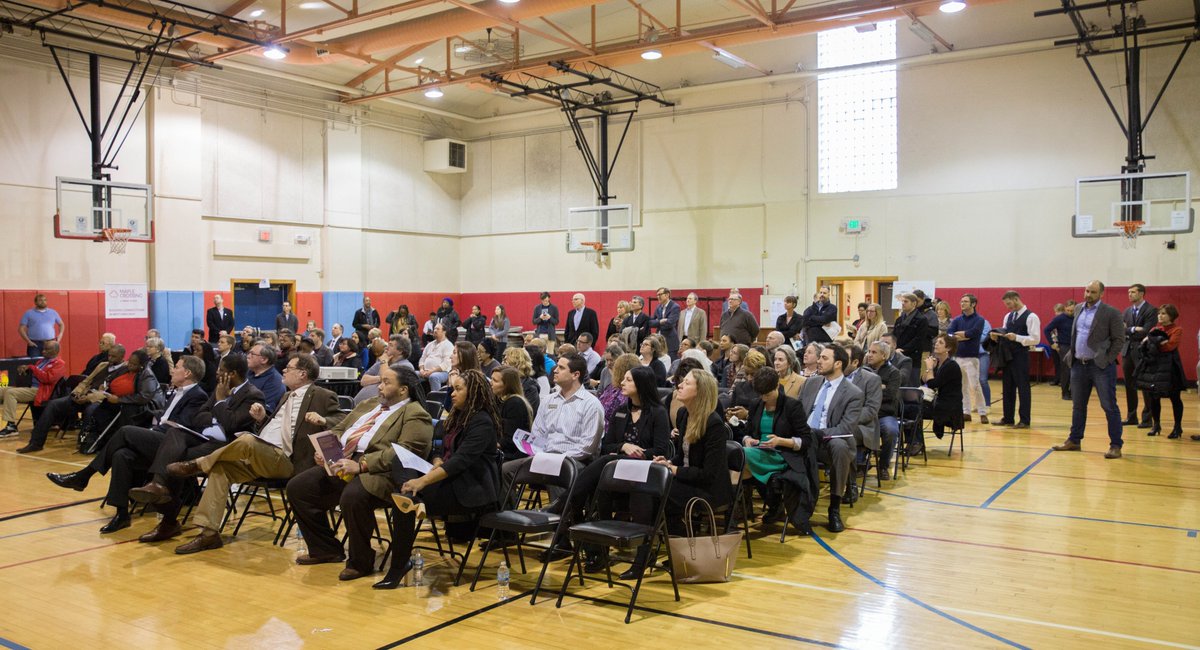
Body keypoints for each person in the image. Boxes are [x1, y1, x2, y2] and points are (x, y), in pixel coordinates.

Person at [168, 354, 344, 554]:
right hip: (264, 456)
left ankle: (197, 464)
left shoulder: (322, 395)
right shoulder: (286, 396)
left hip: (288, 461)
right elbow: (278, 428)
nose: (284, 370)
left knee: (247, 440)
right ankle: (208, 534)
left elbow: (341, 419)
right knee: (221, 468)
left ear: (302, 374)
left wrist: (323, 420)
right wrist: (262, 419)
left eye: (289, 368)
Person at [287, 364, 433, 583]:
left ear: (403, 390)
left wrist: (362, 465)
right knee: (298, 488)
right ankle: (325, 549)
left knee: (353, 496)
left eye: (386, 382)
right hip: (343, 462)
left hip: (382, 473)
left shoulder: (415, 413)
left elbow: (405, 451)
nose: (380, 387)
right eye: (380, 381)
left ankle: (360, 561)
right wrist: (325, 450)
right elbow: (340, 429)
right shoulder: (369, 404)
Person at [45, 356, 210, 535]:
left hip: (171, 445)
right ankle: (121, 514)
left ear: (187, 373)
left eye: (176, 367)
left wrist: (156, 426)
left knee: (125, 431)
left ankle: (84, 476)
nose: (172, 370)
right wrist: (155, 418)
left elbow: (182, 425)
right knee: (121, 455)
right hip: (158, 437)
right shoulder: (177, 391)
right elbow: (166, 416)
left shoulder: (197, 396)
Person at [378, 369, 498, 589]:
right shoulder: (456, 415)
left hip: (469, 488)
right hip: (446, 477)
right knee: (399, 460)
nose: (452, 393)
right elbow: (438, 447)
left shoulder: (482, 421)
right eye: (452, 388)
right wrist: (435, 461)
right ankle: (414, 500)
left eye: (458, 389)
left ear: (474, 393)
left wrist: (422, 481)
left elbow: (461, 461)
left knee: (402, 505)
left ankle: (398, 566)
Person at [126, 354, 265, 532]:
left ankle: (167, 521)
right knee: (176, 433)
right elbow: (197, 416)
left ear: (232, 374)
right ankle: (158, 486)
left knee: (175, 461)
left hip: (226, 447)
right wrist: (218, 415)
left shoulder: (253, 395)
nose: (216, 373)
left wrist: (220, 401)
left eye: (221, 370)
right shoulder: (220, 387)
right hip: (203, 436)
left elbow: (232, 424)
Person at [562, 365, 672, 574]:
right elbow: (607, 446)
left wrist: (625, 455)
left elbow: (660, 450)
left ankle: (566, 502)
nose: (622, 383)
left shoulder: (658, 413)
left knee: (610, 470)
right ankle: (598, 552)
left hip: (645, 473)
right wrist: (623, 447)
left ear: (641, 384)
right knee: (599, 487)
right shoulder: (622, 411)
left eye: (628, 380)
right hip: (618, 474)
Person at [501, 355, 605, 489]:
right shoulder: (548, 400)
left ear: (575, 375)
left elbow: (587, 447)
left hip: (574, 461)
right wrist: (541, 453)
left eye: (561, 368)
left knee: (556, 471)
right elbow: (537, 433)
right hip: (545, 456)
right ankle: (511, 509)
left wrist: (558, 458)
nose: (555, 370)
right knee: (505, 469)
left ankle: (558, 510)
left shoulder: (591, 405)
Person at [654, 369, 733, 536]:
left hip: (709, 490)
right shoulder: (684, 414)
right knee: (651, 487)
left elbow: (708, 474)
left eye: (686, 383)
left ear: (700, 392)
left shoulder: (713, 424)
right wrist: (669, 463)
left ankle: (677, 543)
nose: (679, 385)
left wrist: (674, 470)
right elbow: (683, 457)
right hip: (688, 481)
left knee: (659, 493)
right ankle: (668, 543)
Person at [1053, 281, 1126, 459]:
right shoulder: (1078, 308)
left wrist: (1107, 359)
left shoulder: (1111, 312)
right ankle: (1074, 440)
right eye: (1086, 291)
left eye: (1093, 292)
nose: (1088, 295)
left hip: (1100, 366)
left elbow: (1119, 340)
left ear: (1101, 294)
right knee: (1078, 406)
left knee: (1109, 406)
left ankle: (1116, 445)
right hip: (1078, 364)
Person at [742, 367, 818, 532]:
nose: (764, 398)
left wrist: (780, 441)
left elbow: (806, 440)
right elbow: (746, 432)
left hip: (783, 455)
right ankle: (772, 503)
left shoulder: (792, 406)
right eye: (761, 395)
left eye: (767, 395)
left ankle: (769, 504)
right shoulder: (756, 404)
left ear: (777, 386)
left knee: (740, 458)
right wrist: (748, 439)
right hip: (758, 452)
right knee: (739, 456)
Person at [798, 344, 864, 533]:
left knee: (840, 447)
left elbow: (845, 428)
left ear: (838, 364)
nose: (819, 361)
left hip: (828, 441)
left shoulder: (853, 393)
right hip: (806, 436)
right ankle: (781, 502)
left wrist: (817, 434)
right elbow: (798, 411)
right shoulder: (810, 383)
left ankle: (834, 508)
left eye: (824, 358)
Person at [18, 344, 128, 454]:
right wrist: (76, 393)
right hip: (83, 395)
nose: (110, 359)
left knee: (91, 410)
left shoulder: (125, 370)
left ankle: (84, 442)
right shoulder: (102, 365)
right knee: (53, 404)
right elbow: (86, 381)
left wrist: (88, 398)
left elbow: (111, 392)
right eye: (109, 356)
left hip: (101, 401)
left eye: (113, 357)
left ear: (121, 357)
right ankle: (35, 443)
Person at [991, 290, 1040, 428]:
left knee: (1023, 388)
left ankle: (1024, 420)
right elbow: (1005, 332)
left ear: (1016, 299)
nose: (1008, 307)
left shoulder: (1031, 317)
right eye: (1006, 304)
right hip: (1007, 356)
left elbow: (1035, 339)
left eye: (1009, 303)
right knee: (1007, 387)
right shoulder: (1008, 316)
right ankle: (1008, 418)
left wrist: (1017, 338)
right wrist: (997, 336)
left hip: (1021, 355)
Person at [1136, 305, 1185, 438]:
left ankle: (1177, 427)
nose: (1160, 316)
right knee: (1153, 398)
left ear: (1171, 316)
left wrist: (1152, 341)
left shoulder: (1177, 329)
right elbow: (1145, 346)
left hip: (1170, 369)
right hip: (1154, 367)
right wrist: (1157, 341)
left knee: (1175, 398)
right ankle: (1156, 425)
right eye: (1159, 313)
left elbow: (1169, 346)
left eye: (1163, 314)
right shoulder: (1154, 329)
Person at [0, 340, 67, 437]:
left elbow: (47, 379)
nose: (43, 351)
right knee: (2, 390)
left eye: (47, 349)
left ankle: (11, 427)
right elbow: (34, 373)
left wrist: (33, 368)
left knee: (11, 393)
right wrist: (24, 370)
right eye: (43, 349)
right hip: (30, 387)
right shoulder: (41, 361)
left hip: (41, 391)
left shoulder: (59, 363)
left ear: (55, 351)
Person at [843, 344, 882, 498]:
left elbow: (871, 410)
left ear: (855, 362)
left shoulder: (871, 379)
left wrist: (847, 419)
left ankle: (851, 484)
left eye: (844, 359)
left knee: (845, 435)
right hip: (836, 423)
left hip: (863, 427)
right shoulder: (833, 377)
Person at [947, 294, 989, 424]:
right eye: (961, 301)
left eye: (965, 301)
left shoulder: (979, 319)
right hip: (958, 357)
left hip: (971, 358)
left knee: (975, 385)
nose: (962, 303)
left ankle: (982, 412)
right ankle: (966, 412)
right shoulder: (957, 319)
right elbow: (950, 333)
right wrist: (965, 336)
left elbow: (974, 333)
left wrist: (962, 335)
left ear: (973, 304)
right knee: (962, 386)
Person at [865, 341, 902, 480]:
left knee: (891, 431)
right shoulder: (863, 370)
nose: (869, 355)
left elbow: (890, 395)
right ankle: (861, 464)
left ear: (884, 355)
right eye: (869, 351)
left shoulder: (894, 373)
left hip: (885, 414)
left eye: (874, 352)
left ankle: (883, 466)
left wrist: (871, 391)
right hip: (866, 412)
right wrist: (879, 387)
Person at [1122, 284, 1156, 428]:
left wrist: (1129, 330)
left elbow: (1147, 331)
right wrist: (1134, 329)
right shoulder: (1127, 311)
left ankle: (1147, 419)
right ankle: (1131, 416)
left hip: (1143, 351)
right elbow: (1121, 330)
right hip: (1127, 351)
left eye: (1133, 292)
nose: (1130, 294)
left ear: (1142, 293)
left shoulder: (1151, 310)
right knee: (1129, 385)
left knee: (1145, 384)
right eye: (1129, 292)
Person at [922, 334, 964, 444]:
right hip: (939, 403)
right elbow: (923, 381)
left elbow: (932, 384)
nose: (936, 344)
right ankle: (916, 441)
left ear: (948, 348)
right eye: (936, 342)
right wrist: (930, 369)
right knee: (912, 408)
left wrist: (930, 368)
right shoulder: (939, 363)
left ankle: (917, 442)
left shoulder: (951, 365)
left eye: (940, 343)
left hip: (949, 407)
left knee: (914, 411)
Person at [355, 335, 414, 405]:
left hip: (380, 408)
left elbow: (386, 379)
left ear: (400, 351)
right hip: (358, 405)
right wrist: (379, 378)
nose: (386, 347)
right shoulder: (382, 361)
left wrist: (384, 362)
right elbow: (363, 381)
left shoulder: (405, 366)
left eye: (391, 345)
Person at [493, 365, 534, 461]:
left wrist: (486, 445)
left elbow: (509, 440)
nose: (491, 383)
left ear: (507, 384)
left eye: (495, 381)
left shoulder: (515, 403)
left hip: (513, 456)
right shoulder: (500, 399)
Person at [892, 293, 930, 386]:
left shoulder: (922, 319)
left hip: (912, 356)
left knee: (911, 384)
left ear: (914, 304)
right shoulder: (899, 319)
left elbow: (919, 339)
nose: (903, 303)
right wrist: (893, 348)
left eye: (906, 301)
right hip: (897, 355)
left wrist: (904, 349)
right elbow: (894, 335)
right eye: (902, 301)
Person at [1044, 301, 1075, 400]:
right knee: (1065, 370)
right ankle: (1065, 393)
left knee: (1075, 370)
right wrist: (1052, 343)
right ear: (1065, 308)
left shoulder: (1077, 317)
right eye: (1068, 310)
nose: (1070, 312)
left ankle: (1073, 392)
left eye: (1072, 310)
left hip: (1076, 346)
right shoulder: (1060, 318)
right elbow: (1047, 330)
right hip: (1064, 346)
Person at [246, 343, 286, 412]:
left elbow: (263, 411)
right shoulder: (248, 372)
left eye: (252, 354)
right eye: (249, 353)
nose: (248, 356)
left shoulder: (275, 382)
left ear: (264, 360)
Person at [503, 346, 541, 413]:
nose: (502, 364)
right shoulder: (503, 382)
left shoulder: (530, 388)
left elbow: (528, 413)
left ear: (516, 365)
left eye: (506, 361)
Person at [419, 323, 454, 392]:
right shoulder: (430, 344)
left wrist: (431, 371)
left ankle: (436, 399)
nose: (435, 330)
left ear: (444, 332)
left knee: (434, 377)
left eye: (437, 329)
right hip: (426, 371)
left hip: (443, 372)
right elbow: (422, 359)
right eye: (434, 328)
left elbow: (446, 364)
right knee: (412, 374)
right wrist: (421, 370)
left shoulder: (448, 345)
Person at [651, 287, 681, 359]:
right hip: (659, 341)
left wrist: (657, 323)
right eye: (657, 295)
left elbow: (670, 323)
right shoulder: (658, 307)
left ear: (667, 295)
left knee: (671, 364)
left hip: (670, 341)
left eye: (660, 294)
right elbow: (651, 322)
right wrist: (660, 321)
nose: (658, 297)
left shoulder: (675, 306)